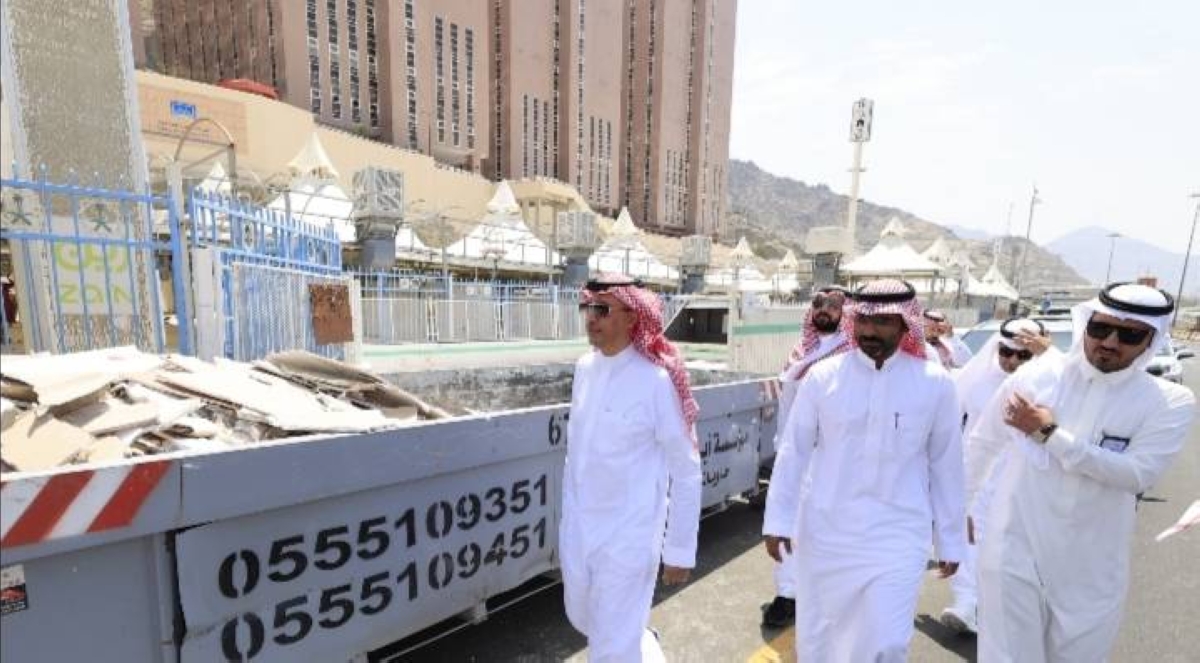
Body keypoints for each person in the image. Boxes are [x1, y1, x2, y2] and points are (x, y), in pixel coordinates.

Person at [966, 283, 1196, 662]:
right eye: (1100, 328)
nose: (1109, 342)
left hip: (1091, 569)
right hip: (1014, 550)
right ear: (1085, 323)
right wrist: (961, 513)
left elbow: (1137, 475)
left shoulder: (1168, 401)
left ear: (1151, 340)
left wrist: (1050, 435)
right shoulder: (1037, 376)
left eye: (1129, 335)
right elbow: (982, 445)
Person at [762, 279, 966, 662]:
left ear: (906, 325)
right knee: (820, 641)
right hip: (826, 531)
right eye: (863, 320)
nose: (869, 331)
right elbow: (793, 452)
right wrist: (778, 520)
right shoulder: (823, 376)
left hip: (898, 535)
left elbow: (947, 466)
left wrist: (951, 540)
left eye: (883, 322)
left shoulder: (935, 383)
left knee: (887, 642)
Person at [560, 274, 702, 662]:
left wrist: (679, 548)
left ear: (632, 316)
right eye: (588, 307)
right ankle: (641, 642)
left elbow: (686, 469)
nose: (591, 317)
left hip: (629, 535)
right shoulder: (584, 369)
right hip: (580, 530)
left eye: (602, 309)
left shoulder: (656, 381)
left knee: (611, 644)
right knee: (585, 617)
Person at [940, 317, 1057, 634]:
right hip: (975, 470)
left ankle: (995, 606)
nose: (1013, 361)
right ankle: (966, 602)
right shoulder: (974, 380)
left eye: (1023, 355)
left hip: (1022, 477)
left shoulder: (1050, 384)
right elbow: (947, 423)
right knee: (969, 534)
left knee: (1008, 545)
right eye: (1006, 352)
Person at [762, 284, 853, 628]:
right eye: (818, 303)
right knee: (787, 523)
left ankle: (822, 594)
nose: (824, 310)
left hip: (833, 459)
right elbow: (787, 404)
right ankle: (787, 594)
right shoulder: (801, 352)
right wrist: (781, 446)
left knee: (827, 530)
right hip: (795, 454)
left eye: (833, 305)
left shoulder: (850, 354)